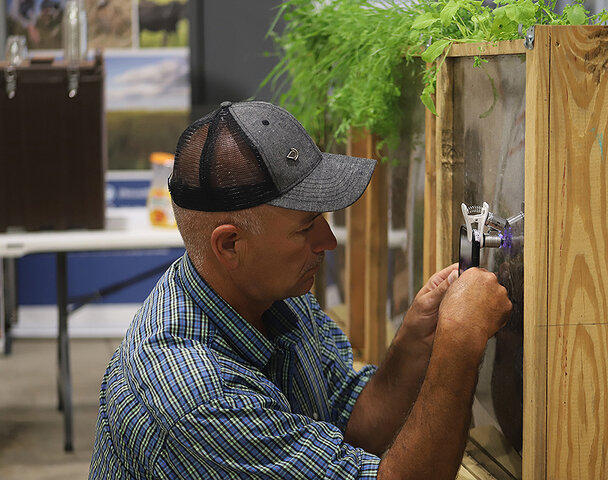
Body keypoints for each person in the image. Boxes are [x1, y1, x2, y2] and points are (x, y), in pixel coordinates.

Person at [89, 100, 512, 479]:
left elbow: (350, 422)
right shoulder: (198, 395)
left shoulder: (274, 298)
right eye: (305, 227)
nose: (327, 242)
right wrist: (459, 344)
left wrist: (416, 341)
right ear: (230, 245)